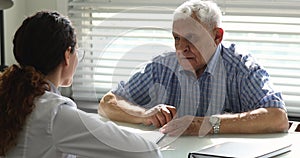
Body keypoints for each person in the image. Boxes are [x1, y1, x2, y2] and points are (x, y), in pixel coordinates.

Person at [98, 0, 289, 136]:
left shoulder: (241, 67)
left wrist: (206, 124)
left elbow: (277, 117)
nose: (181, 48)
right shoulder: (163, 67)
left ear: (217, 37)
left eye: (191, 38)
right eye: (177, 38)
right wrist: (143, 114)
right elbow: (107, 103)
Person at [0, 11, 162, 157]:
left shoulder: (12, 98)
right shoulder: (53, 113)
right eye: (76, 51)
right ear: (67, 56)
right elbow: (147, 152)